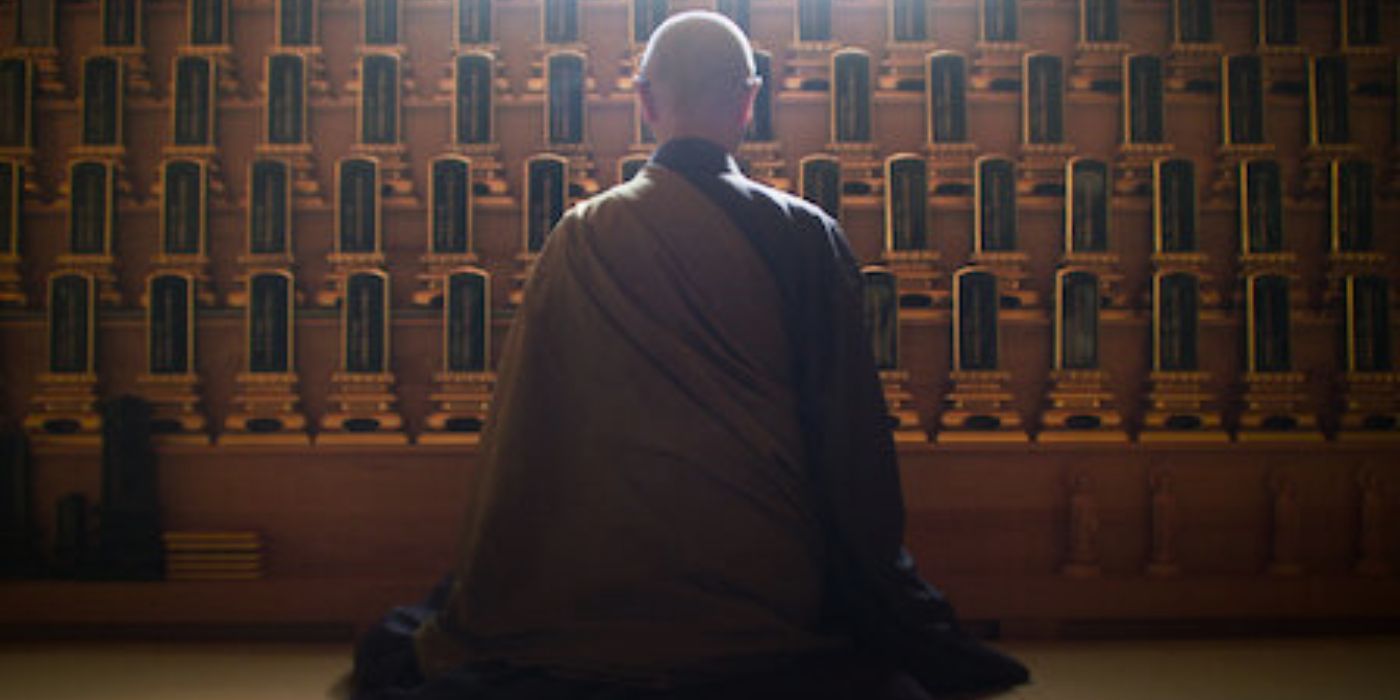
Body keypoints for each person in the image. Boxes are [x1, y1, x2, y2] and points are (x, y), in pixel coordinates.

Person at [352, 12, 1028, 699]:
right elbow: (852, 455)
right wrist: (904, 608)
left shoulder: (578, 236)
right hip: (764, 592)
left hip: (591, 591)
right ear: (749, 99)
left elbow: (528, 445)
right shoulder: (804, 235)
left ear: (644, 101)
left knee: (411, 637)